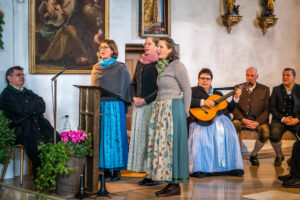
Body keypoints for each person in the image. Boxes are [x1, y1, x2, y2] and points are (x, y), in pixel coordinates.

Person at [145, 37, 191, 197]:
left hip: (174, 108)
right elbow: (160, 91)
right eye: (157, 47)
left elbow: (187, 89)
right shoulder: (162, 67)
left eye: (161, 47)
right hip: (162, 108)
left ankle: (175, 184)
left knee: (173, 145)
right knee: (165, 145)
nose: (158, 49)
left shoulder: (177, 66)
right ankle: (169, 180)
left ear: (171, 50)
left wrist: (185, 111)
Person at [0, 66, 58, 174]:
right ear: (9, 78)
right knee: (37, 143)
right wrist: (32, 108)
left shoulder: (27, 92)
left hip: (36, 124)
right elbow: (19, 110)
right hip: (19, 129)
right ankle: (40, 174)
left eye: (22, 74)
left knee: (55, 138)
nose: (22, 77)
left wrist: (29, 108)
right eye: (18, 75)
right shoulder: (6, 95)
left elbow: (42, 105)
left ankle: (55, 173)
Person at [189, 68, 244, 178]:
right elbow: (187, 102)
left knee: (230, 136)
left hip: (219, 121)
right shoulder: (193, 91)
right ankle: (202, 168)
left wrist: (236, 98)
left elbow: (229, 108)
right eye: (202, 78)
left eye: (207, 79)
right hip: (200, 122)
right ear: (198, 79)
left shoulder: (217, 93)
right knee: (201, 138)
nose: (205, 81)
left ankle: (230, 168)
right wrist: (203, 102)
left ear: (211, 80)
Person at [91, 39, 131, 182]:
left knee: (115, 138)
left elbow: (126, 87)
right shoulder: (96, 68)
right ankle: (106, 170)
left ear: (113, 50)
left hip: (114, 105)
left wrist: (123, 101)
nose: (103, 50)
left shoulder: (120, 67)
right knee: (103, 138)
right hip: (100, 105)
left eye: (106, 47)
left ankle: (117, 170)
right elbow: (93, 89)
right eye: (101, 48)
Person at [127, 37, 159, 186]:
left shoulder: (159, 64)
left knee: (151, 140)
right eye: (145, 43)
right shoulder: (140, 62)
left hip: (152, 106)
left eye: (149, 43)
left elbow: (160, 89)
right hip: (139, 107)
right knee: (141, 140)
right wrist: (134, 97)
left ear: (157, 47)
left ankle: (154, 174)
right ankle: (147, 173)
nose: (146, 46)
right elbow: (133, 83)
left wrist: (145, 100)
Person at [232, 67, 270, 166]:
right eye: (247, 75)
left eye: (252, 75)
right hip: (241, 119)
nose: (249, 78)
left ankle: (254, 154)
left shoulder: (265, 89)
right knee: (233, 125)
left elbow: (267, 110)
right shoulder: (238, 87)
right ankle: (233, 155)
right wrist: (243, 120)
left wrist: (257, 122)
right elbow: (233, 108)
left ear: (257, 76)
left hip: (258, 120)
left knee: (265, 132)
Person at [269, 68, 300, 166]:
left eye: (288, 75)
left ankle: (295, 157)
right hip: (279, 119)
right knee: (273, 134)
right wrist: (282, 118)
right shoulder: (276, 89)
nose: (285, 77)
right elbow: (272, 107)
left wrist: (297, 119)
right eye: (283, 75)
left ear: (294, 78)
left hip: (296, 120)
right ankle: (279, 155)